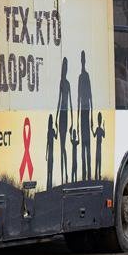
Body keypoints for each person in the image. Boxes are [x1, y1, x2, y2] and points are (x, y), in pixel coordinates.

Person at [77, 50, 93, 180]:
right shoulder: (80, 77)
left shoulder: (86, 76)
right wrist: (77, 120)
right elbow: (78, 98)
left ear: (85, 61)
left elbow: (90, 96)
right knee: (83, 144)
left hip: (86, 112)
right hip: (82, 112)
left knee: (87, 144)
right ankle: (84, 173)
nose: (82, 61)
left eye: (83, 59)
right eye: (81, 59)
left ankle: (89, 173)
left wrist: (92, 116)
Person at [56, 57, 71, 185]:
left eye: (65, 67)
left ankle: (66, 173)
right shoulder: (62, 82)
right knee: (61, 147)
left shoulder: (66, 83)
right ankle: (63, 175)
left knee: (64, 146)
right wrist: (55, 118)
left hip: (65, 116)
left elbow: (70, 103)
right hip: (61, 115)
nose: (64, 70)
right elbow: (59, 101)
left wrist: (72, 123)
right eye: (63, 67)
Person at [94, 112, 106, 180]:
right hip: (98, 147)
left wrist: (104, 127)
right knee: (98, 161)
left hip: (98, 147)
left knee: (98, 161)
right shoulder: (99, 129)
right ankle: (98, 175)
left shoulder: (99, 129)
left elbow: (95, 135)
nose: (99, 121)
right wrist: (104, 127)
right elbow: (103, 136)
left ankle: (98, 175)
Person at [45, 113, 56, 190]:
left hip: (50, 153)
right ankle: (48, 187)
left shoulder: (50, 131)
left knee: (50, 170)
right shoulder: (50, 131)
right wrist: (46, 154)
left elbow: (55, 137)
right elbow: (47, 143)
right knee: (49, 170)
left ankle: (49, 186)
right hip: (50, 153)